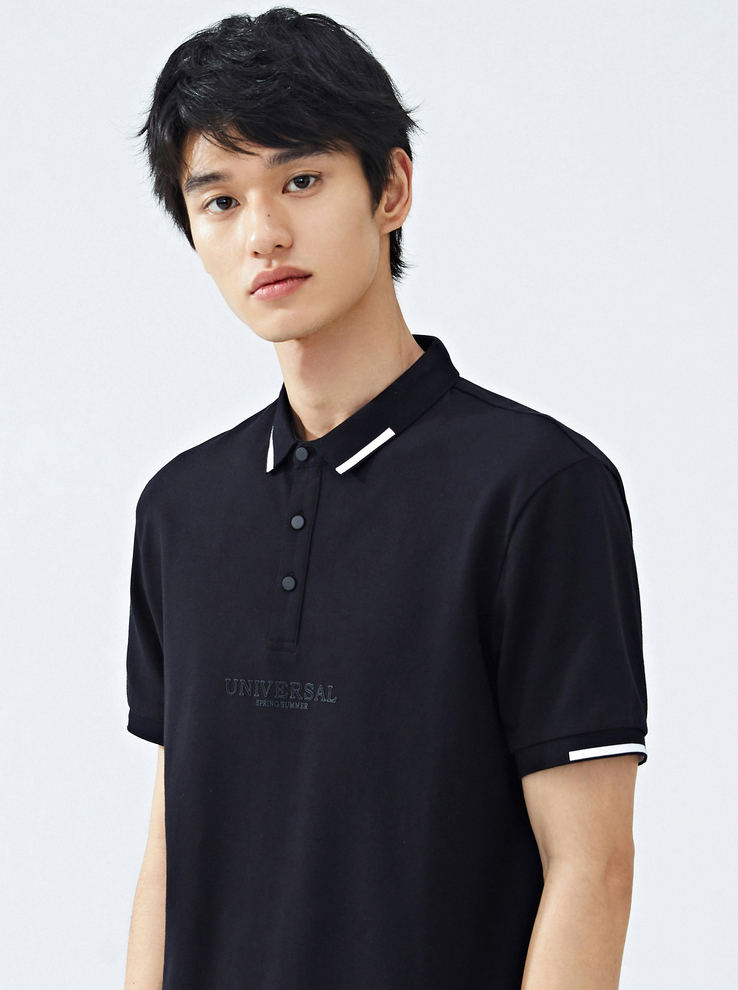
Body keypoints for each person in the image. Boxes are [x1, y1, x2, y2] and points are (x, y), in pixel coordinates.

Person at [123, 8, 649, 990]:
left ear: (391, 188)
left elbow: (592, 867)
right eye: (221, 200)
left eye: (301, 181)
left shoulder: (537, 491)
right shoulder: (178, 512)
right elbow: (170, 856)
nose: (264, 234)